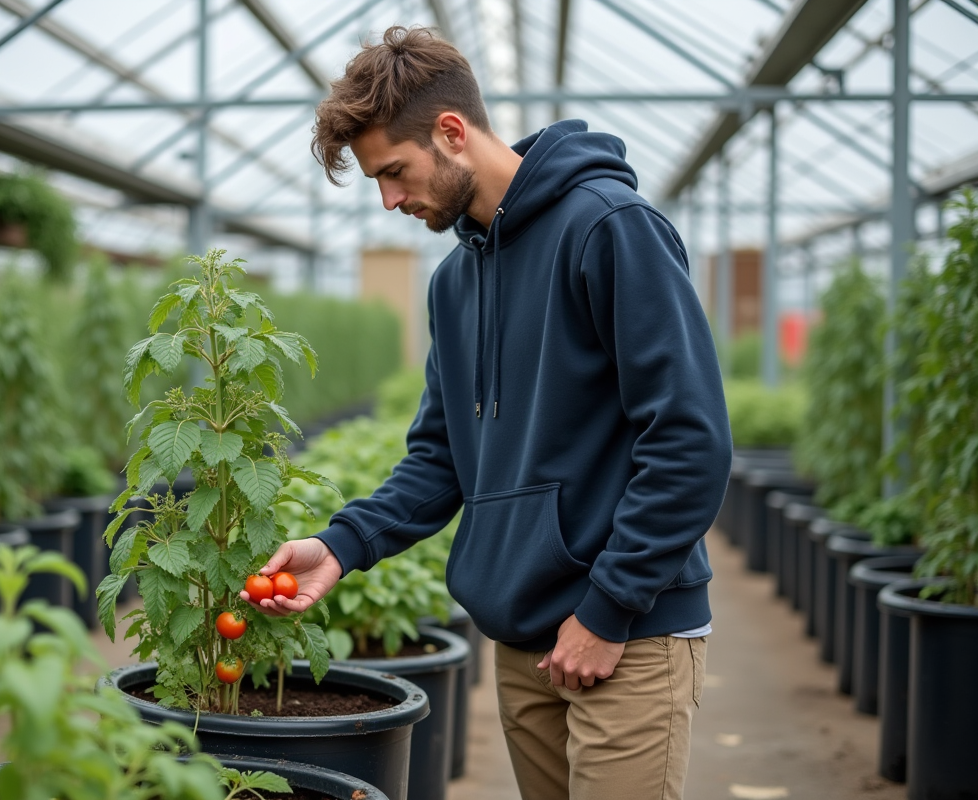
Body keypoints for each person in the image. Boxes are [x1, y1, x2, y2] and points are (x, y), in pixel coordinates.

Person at [241, 25, 731, 800]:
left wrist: (607, 611)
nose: (390, 199)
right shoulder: (454, 284)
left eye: (395, 172)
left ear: (452, 132)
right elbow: (440, 458)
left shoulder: (608, 228)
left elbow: (689, 439)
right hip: (520, 635)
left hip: (626, 635)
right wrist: (342, 545)